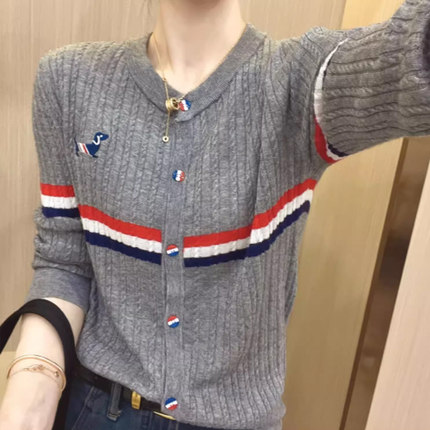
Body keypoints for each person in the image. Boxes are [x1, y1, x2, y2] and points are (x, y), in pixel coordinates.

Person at [1, 0, 430, 429]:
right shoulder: (69, 81)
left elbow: (407, 61)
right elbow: (65, 260)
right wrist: (29, 397)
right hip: (97, 408)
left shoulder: (297, 83)